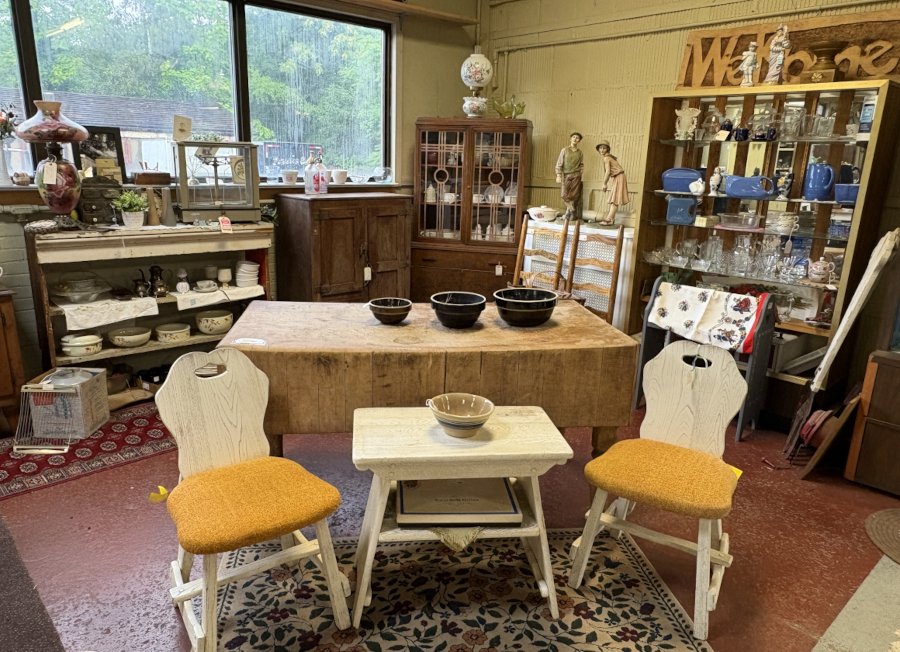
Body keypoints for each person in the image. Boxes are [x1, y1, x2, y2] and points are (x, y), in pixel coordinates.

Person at [597, 140, 628, 225]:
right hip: (618, 177)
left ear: (607, 149)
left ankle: (609, 219)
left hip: (619, 177)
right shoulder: (609, 157)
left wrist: (604, 183)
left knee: (615, 199)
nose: (602, 150)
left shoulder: (607, 158)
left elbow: (607, 172)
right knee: (614, 198)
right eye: (600, 148)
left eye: (604, 148)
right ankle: (611, 219)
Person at [555, 132, 584, 221]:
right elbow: (559, 163)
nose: (575, 139)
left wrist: (581, 172)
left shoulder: (580, 152)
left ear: (579, 141)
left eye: (577, 138)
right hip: (567, 175)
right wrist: (559, 175)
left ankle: (568, 214)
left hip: (576, 175)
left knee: (574, 195)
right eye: (574, 137)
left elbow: (581, 164)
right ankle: (572, 210)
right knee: (564, 195)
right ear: (570, 139)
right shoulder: (565, 150)